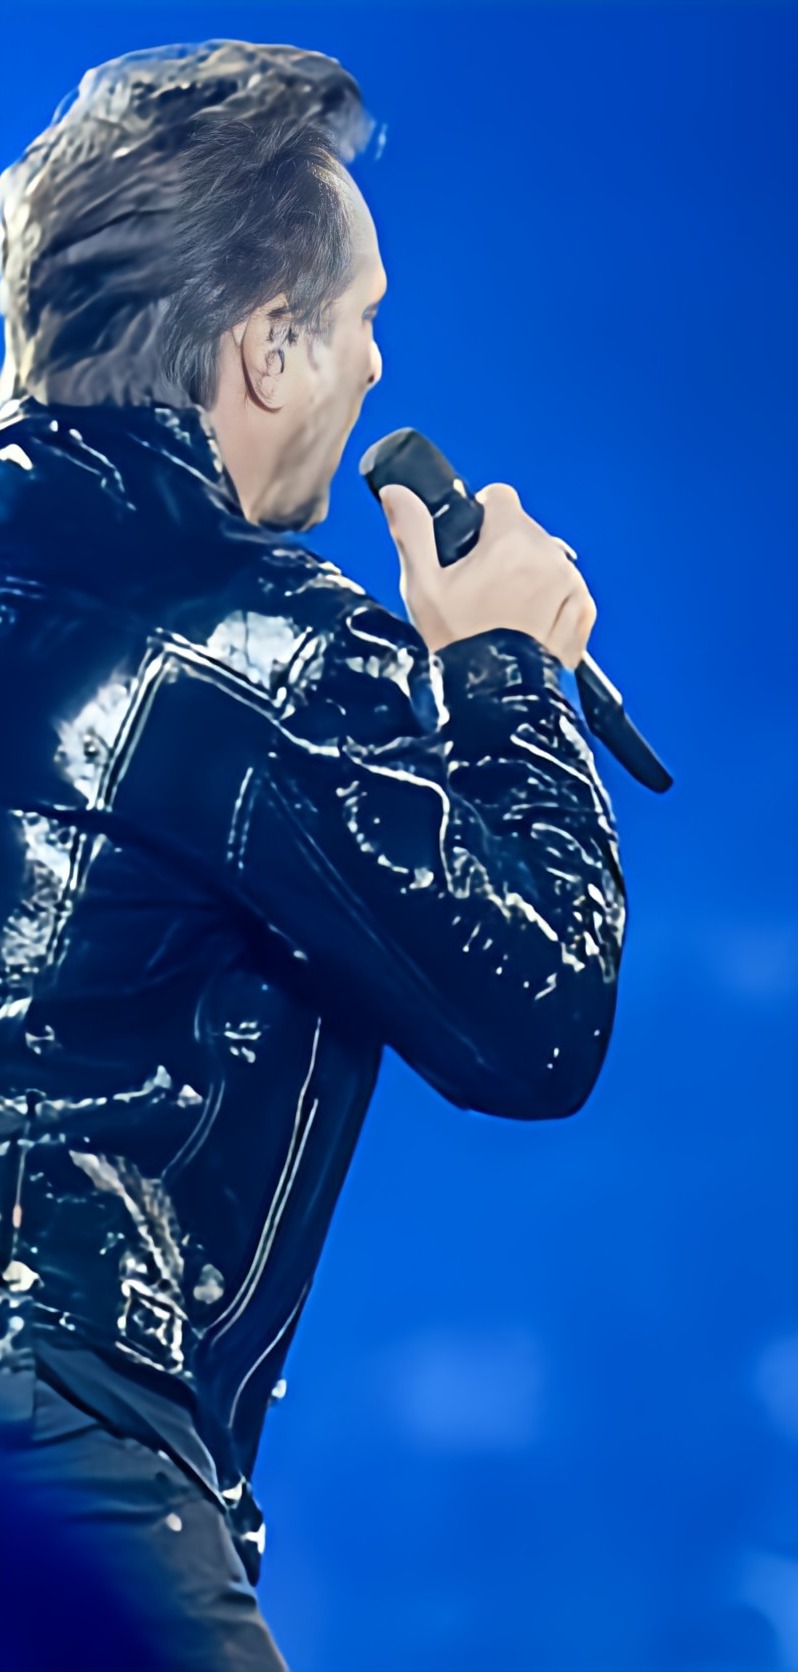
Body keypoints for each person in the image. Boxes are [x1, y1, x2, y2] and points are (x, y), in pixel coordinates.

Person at [0, 42, 625, 1670]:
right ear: (266, 344)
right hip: (52, 1429)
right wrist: (504, 678)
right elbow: (537, 1016)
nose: (369, 377)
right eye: (354, 323)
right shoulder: (263, 639)